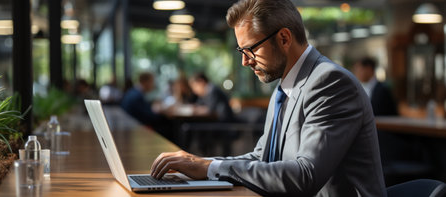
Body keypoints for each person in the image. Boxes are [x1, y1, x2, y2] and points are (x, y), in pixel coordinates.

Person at [150, 0, 386, 196]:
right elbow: (262, 158)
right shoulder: (283, 88)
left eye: (250, 49)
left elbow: (306, 175)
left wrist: (211, 167)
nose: (245, 61)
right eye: (242, 52)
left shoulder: (331, 82)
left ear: (284, 38)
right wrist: (200, 163)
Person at [121, 72, 172, 140]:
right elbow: (150, 117)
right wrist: (162, 112)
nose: (153, 85)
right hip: (137, 129)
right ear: (145, 82)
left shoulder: (133, 92)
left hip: (130, 126)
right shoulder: (137, 96)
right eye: (152, 82)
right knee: (169, 125)